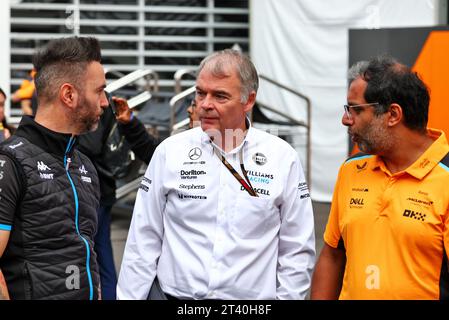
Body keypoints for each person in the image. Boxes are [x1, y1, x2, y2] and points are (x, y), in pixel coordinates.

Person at [117, 49, 315, 300]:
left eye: (220, 96)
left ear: (249, 100)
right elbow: (142, 239)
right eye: (200, 93)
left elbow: (296, 248)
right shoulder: (169, 152)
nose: (205, 105)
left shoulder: (282, 158)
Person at [310, 56, 449, 300]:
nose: (346, 119)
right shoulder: (351, 169)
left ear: (393, 114)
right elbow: (333, 254)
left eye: (356, 109)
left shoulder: (445, 178)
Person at [0, 36, 109, 300]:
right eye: (99, 90)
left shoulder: (84, 165)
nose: (105, 102)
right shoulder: (10, 163)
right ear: (69, 95)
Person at [77, 95, 159, 300]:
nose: (104, 102)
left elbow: (92, 145)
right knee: (98, 253)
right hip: (94, 191)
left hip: (99, 191)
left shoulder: (97, 100)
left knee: (96, 254)